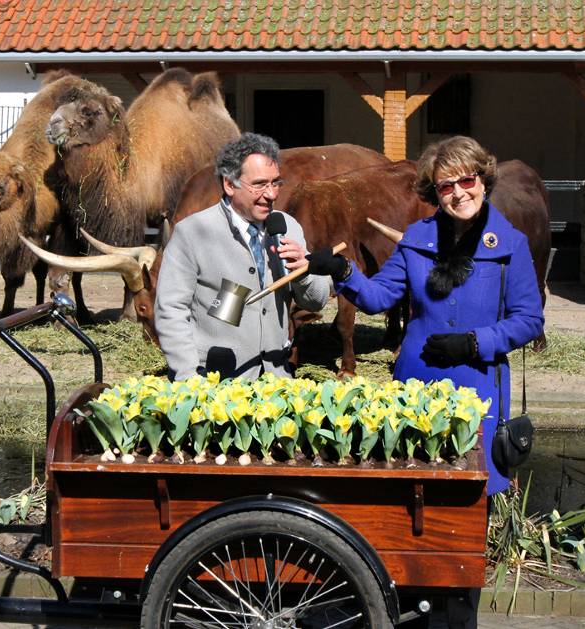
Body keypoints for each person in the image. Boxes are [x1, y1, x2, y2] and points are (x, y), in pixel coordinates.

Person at [306, 135, 544, 628]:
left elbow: (528, 319)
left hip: (477, 396)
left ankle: (459, 620)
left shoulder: (511, 245)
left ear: (484, 179)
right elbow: (377, 298)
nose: (459, 192)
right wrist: (343, 272)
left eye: (467, 180)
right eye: (446, 185)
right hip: (414, 397)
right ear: (434, 192)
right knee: (413, 522)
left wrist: (475, 342)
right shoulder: (416, 238)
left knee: (462, 530)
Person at [155, 133, 330, 380]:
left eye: (276, 183)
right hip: (213, 383)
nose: (271, 194)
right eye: (260, 184)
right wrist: (188, 377)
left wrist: (304, 272)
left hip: (276, 381)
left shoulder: (287, 226)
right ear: (229, 184)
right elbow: (171, 310)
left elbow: (317, 302)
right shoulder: (193, 232)